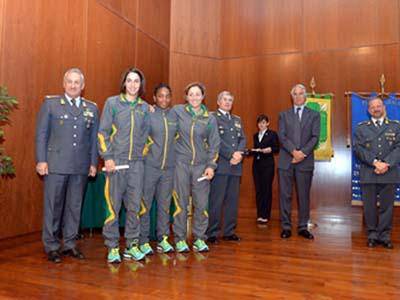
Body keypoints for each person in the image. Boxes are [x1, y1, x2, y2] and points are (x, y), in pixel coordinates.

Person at [35, 68, 99, 263]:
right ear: (64, 84)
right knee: (53, 207)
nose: (73, 85)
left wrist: (93, 163)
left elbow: (94, 139)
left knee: (74, 206)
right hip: (55, 164)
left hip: (80, 166)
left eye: (76, 82)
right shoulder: (51, 104)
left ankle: (70, 244)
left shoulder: (92, 108)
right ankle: (52, 246)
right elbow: (42, 135)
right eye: (69, 82)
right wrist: (41, 160)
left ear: (83, 86)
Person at [97, 68, 150, 263]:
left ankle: (131, 245)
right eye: (130, 80)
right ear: (124, 83)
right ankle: (112, 246)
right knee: (113, 206)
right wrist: (108, 157)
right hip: (116, 163)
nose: (133, 84)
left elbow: (146, 136)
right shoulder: (112, 103)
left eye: (137, 81)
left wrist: (140, 155)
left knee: (134, 207)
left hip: (136, 164)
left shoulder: (145, 108)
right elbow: (102, 133)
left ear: (140, 85)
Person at [171, 82, 220, 253]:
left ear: (203, 96)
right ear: (186, 96)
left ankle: (199, 238)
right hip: (181, 165)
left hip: (201, 167)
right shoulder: (177, 111)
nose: (194, 97)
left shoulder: (210, 118)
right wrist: (150, 108)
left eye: (197, 94)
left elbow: (215, 144)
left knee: (201, 204)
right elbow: (162, 117)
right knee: (181, 203)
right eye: (191, 94)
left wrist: (211, 166)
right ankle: (180, 238)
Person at [353, 97, 400, 249]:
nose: (376, 109)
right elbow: (358, 149)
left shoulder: (395, 126)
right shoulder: (361, 128)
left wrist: (386, 163)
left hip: (389, 172)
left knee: (387, 206)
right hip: (369, 172)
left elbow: (398, 148)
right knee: (369, 207)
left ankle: (384, 235)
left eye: (378, 106)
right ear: (368, 110)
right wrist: (375, 162)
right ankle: (372, 234)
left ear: (384, 107)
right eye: (372, 107)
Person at [278, 83, 320, 240]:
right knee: (285, 195)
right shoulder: (284, 115)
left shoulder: (314, 115)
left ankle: (303, 226)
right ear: (291, 96)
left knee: (303, 195)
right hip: (286, 161)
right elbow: (282, 137)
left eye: (300, 93)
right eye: (294, 94)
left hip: (305, 161)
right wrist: (294, 152)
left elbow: (315, 137)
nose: (297, 96)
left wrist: (302, 153)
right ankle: (286, 226)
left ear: (306, 96)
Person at [139, 83, 177, 254]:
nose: (164, 99)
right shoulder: (148, 113)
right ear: (154, 98)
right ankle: (143, 240)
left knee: (164, 205)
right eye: (160, 96)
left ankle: (163, 238)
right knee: (145, 205)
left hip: (168, 169)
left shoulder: (175, 115)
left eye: (167, 96)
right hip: (149, 167)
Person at [207, 91, 246, 244]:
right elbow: (215, 141)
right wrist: (231, 154)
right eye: (225, 99)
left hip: (236, 167)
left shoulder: (237, 120)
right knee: (216, 200)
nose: (228, 102)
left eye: (230, 100)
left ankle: (229, 231)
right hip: (221, 165)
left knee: (232, 201)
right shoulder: (213, 118)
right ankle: (212, 232)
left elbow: (243, 138)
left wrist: (239, 153)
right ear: (218, 101)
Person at [252, 114, 279, 225]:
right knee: (258, 190)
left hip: (268, 165)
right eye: (259, 123)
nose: (261, 125)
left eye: (263, 122)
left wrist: (270, 149)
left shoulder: (272, 134)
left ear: (267, 123)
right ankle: (260, 214)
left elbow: (277, 148)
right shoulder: (255, 135)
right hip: (256, 165)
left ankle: (266, 215)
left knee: (266, 189)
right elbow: (256, 149)